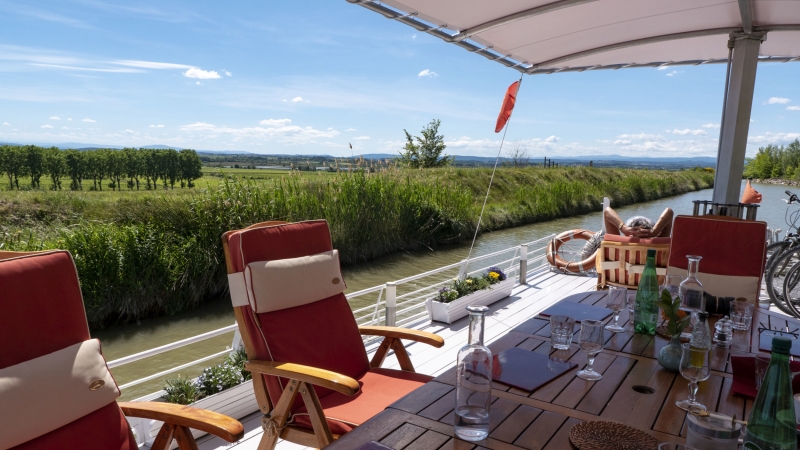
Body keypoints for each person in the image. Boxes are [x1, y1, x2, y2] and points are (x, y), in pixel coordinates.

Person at [604, 207, 673, 238]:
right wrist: (655, 231)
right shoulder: (659, 244)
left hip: (632, 224)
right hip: (648, 225)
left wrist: (624, 228)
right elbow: (669, 211)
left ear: (629, 235)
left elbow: (607, 211)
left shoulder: (619, 246)